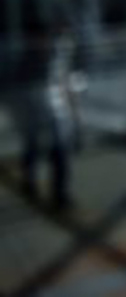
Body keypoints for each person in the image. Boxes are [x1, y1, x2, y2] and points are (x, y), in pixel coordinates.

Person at [11, 15, 80, 211]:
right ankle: (30, 181)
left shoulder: (57, 57)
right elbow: (19, 92)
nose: (43, 42)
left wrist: (73, 111)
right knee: (33, 148)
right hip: (34, 113)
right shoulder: (25, 62)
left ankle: (60, 194)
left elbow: (66, 82)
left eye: (44, 38)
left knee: (60, 153)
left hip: (55, 113)